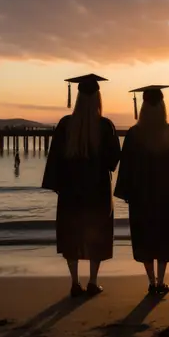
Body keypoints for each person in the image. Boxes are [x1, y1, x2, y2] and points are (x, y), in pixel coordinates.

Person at [42, 74, 121, 298]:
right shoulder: (105, 126)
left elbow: (55, 159)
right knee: (98, 233)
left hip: (71, 191)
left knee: (71, 234)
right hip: (97, 190)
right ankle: (93, 282)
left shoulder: (66, 125)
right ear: (98, 98)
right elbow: (113, 161)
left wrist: (58, 185)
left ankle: (75, 283)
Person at [114, 85, 169, 295]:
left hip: (141, 194)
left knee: (144, 236)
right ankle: (161, 281)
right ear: (163, 107)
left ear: (143, 107)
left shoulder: (134, 134)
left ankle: (151, 280)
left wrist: (127, 193)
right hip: (166, 193)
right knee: (164, 236)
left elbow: (125, 166)